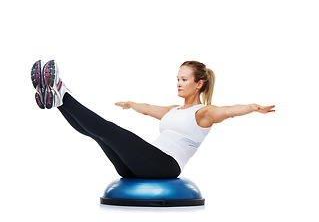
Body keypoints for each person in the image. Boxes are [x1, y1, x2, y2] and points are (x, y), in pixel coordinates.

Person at [31, 60, 275, 179]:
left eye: (184, 79)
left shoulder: (203, 113)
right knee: (96, 134)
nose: (179, 84)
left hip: (165, 166)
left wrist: (252, 107)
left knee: (111, 131)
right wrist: (132, 104)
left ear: (199, 84)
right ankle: (58, 101)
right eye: (177, 79)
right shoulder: (174, 111)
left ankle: (61, 91)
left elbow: (228, 110)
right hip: (133, 168)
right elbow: (149, 109)